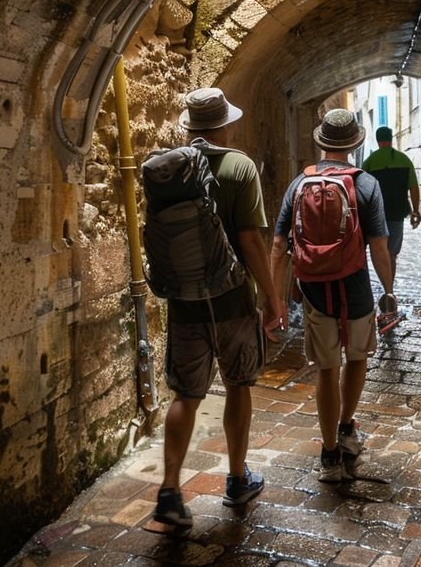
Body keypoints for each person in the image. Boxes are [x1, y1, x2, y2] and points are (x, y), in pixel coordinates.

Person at [152, 88, 286, 529]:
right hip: (232, 301)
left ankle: (170, 492)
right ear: (225, 124)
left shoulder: (167, 169)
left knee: (185, 396)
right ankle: (235, 478)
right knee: (238, 385)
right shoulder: (239, 166)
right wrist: (272, 297)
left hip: (185, 303)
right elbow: (251, 239)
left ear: (191, 126)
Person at [268, 109, 395, 482]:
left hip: (314, 289)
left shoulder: (298, 185)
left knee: (326, 367)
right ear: (354, 144)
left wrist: (275, 297)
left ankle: (328, 455)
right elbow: (380, 247)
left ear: (321, 142)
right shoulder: (366, 184)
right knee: (356, 357)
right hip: (354, 287)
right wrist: (388, 290)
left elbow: (278, 244)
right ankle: (346, 430)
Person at [361, 125, 421, 284]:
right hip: (397, 213)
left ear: (377, 139)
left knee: (377, 250)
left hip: (375, 214)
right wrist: (416, 211)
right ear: (391, 138)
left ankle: (382, 285)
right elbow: (414, 187)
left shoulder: (369, 161)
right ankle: (389, 288)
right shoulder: (404, 160)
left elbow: (361, 190)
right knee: (392, 253)